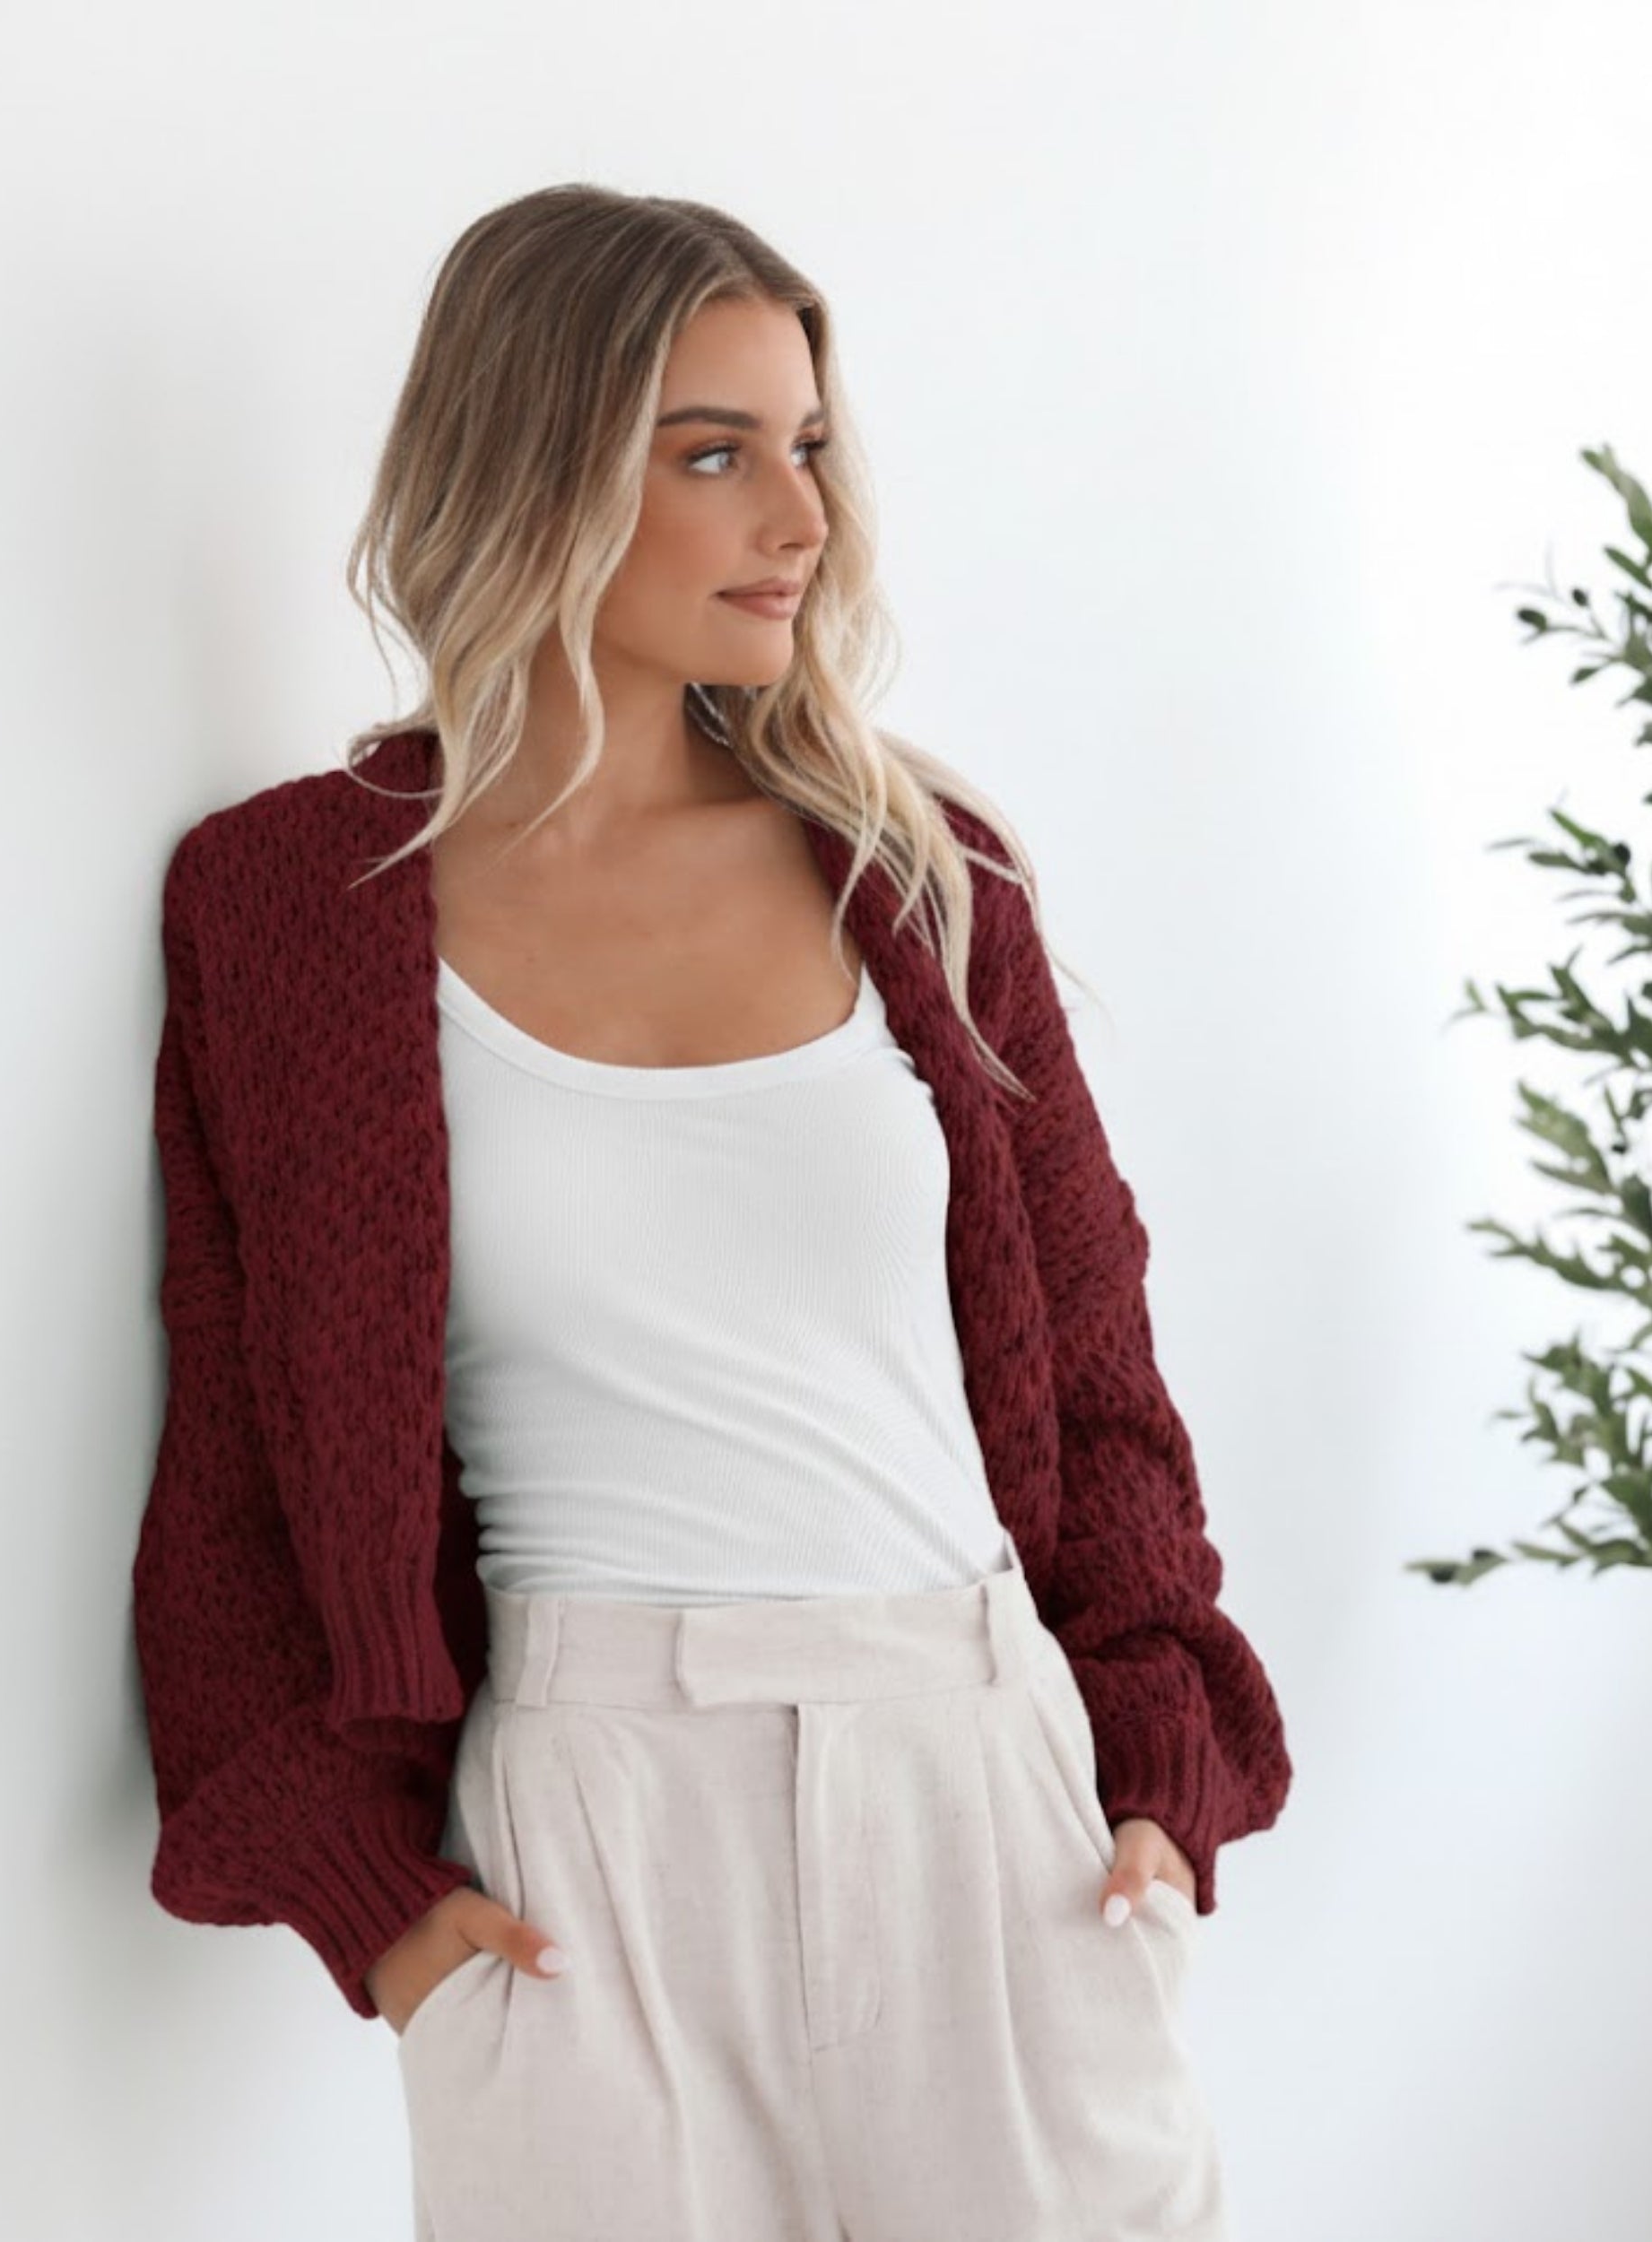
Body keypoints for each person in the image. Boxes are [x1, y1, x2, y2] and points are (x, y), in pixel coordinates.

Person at [133, 182, 1292, 2242]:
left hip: (979, 1793)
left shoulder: (921, 870)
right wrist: (375, 1906)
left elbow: (1100, 1367)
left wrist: (1149, 1771)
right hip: (584, 1843)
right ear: (532, 465)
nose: (799, 516)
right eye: (711, 453)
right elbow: (235, 1450)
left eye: (809, 445)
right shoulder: (289, 906)